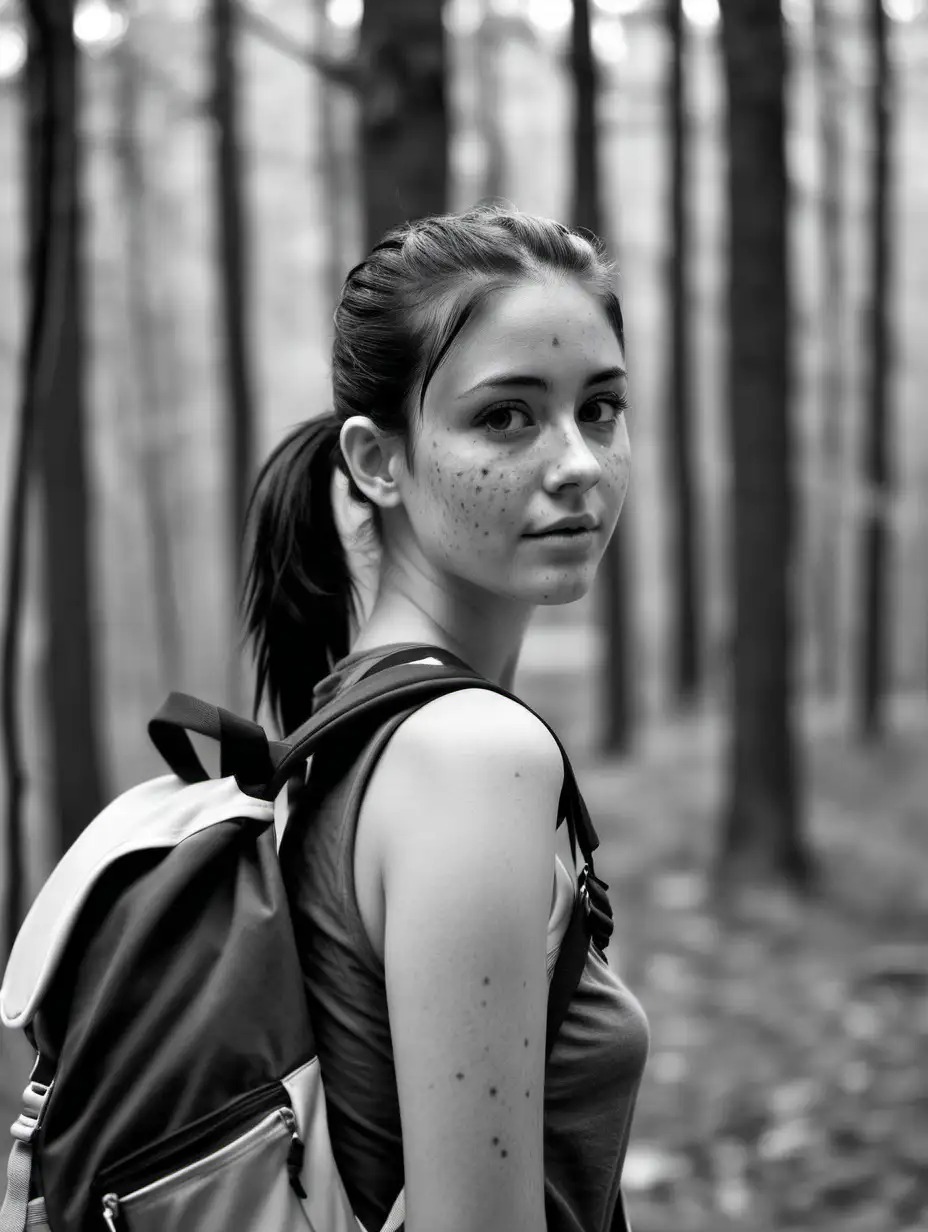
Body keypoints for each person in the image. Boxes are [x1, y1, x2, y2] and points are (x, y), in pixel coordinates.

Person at [240, 205, 650, 1232]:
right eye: (506, 417)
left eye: (598, 409)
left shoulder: (355, 712)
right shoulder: (470, 755)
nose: (577, 463)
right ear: (377, 461)